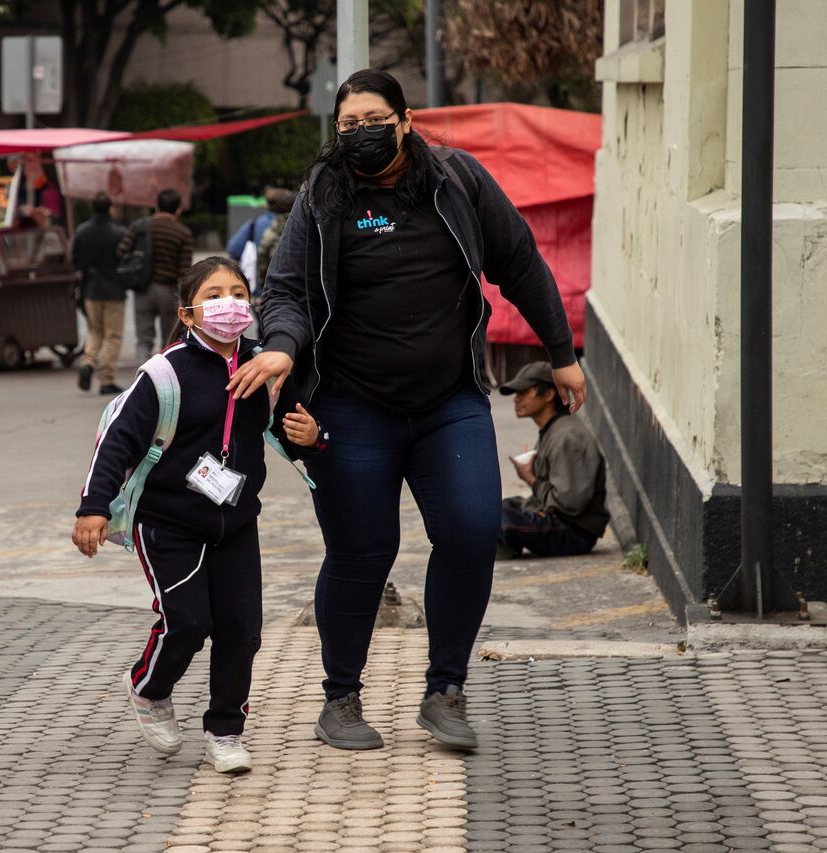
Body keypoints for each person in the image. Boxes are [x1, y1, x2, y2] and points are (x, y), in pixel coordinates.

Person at [227, 69, 585, 754]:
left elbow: (519, 260)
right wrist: (279, 348)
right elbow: (287, 291)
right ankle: (340, 698)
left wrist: (562, 351)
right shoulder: (323, 194)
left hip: (448, 399)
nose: (359, 133)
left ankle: (444, 689)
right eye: (346, 124)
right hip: (352, 405)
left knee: (472, 529)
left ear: (405, 118)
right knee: (363, 549)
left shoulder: (457, 181)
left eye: (372, 119)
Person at [73, 257, 325, 775]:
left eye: (238, 292)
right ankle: (149, 688)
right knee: (187, 622)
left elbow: (297, 426)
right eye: (214, 294)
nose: (229, 304)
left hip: (235, 521)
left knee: (242, 629)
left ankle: (225, 730)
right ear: (188, 314)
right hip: (167, 521)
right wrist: (94, 507)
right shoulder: (164, 373)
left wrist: (315, 439)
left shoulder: (268, 365)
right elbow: (117, 440)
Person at [498, 361, 609, 557]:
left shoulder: (567, 436)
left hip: (573, 532)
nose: (517, 399)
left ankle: (497, 545)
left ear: (549, 394)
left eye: (524, 392)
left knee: (502, 519)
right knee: (497, 507)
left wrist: (530, 479)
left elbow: (569, 503)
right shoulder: (552, 430)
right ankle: (498, 544)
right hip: (557, 518)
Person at [120, 188, 193, 363]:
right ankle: (166, 374)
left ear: (156, 207)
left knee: (144, 338)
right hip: (168, 291)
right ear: (178, 210)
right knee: (170, 338)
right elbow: (185, 270)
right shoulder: (183, 233)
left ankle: (142, 375)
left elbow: (122, 250)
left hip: (142, 289)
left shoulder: (138, 227)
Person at [72, 193, 128, 395]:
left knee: (95, 331)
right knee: (113, 335)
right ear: (110, 208)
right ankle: (106, 379)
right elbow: (125, 259)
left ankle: (87, 362)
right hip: (114, 289)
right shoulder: (119, 232)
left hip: (91, 289)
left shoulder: (82, 231)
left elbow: (76, 260)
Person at [255, 189, 296, 296]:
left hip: (275, 286)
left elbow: (262, 256)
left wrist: (263, 281)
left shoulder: (270, 228)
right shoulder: (305, 224)